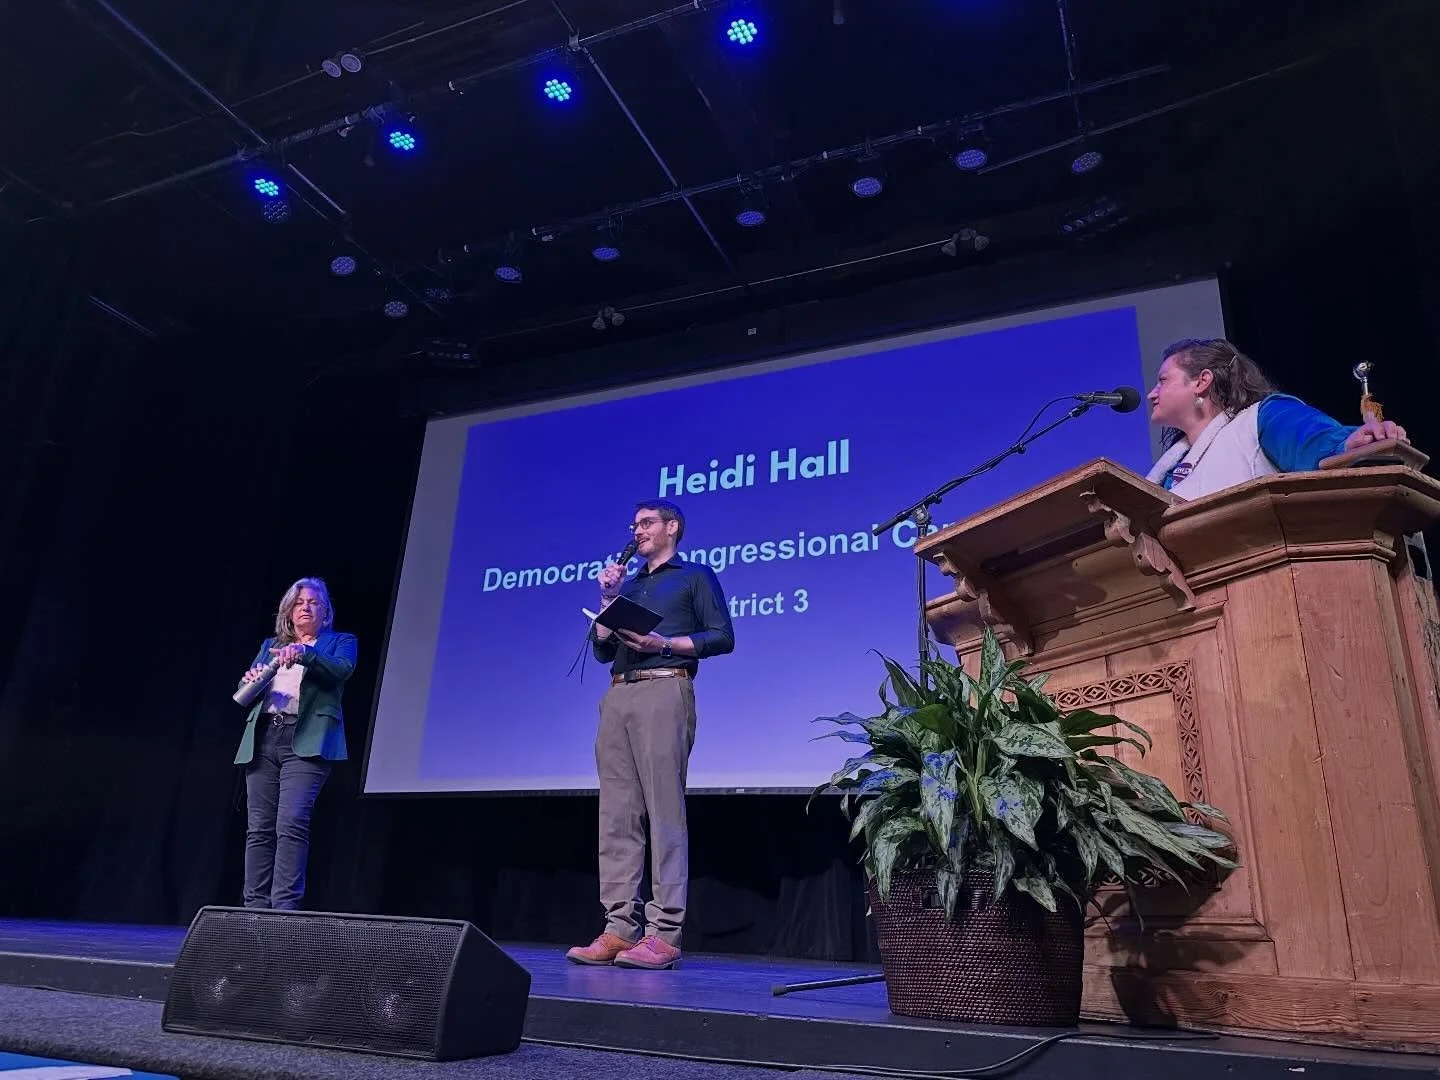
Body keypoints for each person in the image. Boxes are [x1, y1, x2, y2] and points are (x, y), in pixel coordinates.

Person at [566, 499, 735, 970]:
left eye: (645, 524)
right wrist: (606, 601)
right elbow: (601, 653)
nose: (636, 531)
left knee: (663, 812)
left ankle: (664, 932)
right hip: (618, 693)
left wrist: (662, 643)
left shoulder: (694, 576)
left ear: (672, 528)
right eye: (634, 525)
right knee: (616, 815)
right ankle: (619, 928)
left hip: (666, 688)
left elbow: (722, 637)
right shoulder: (631, 584)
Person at [1144, 338, 1410, 501]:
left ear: (1202, 381)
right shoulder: (1171, 470)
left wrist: (1352, 443)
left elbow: (1316, 441)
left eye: (1162, 381)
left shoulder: (1261, 418)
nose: (1151, 394)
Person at [234, 577, 356, 910]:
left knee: (290, 824)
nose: (306, 607)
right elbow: (253, 685)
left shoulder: (339, 642)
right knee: (258, 828)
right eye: (299, 602)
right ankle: (254, 910)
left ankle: (283, 910)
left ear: (326, 612)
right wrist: (252, 679)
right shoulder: (270, 644)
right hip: (264, 739)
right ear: (289, 612)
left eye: (314, 602)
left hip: (306, 742)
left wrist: (305, 653)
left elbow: (341, 671)